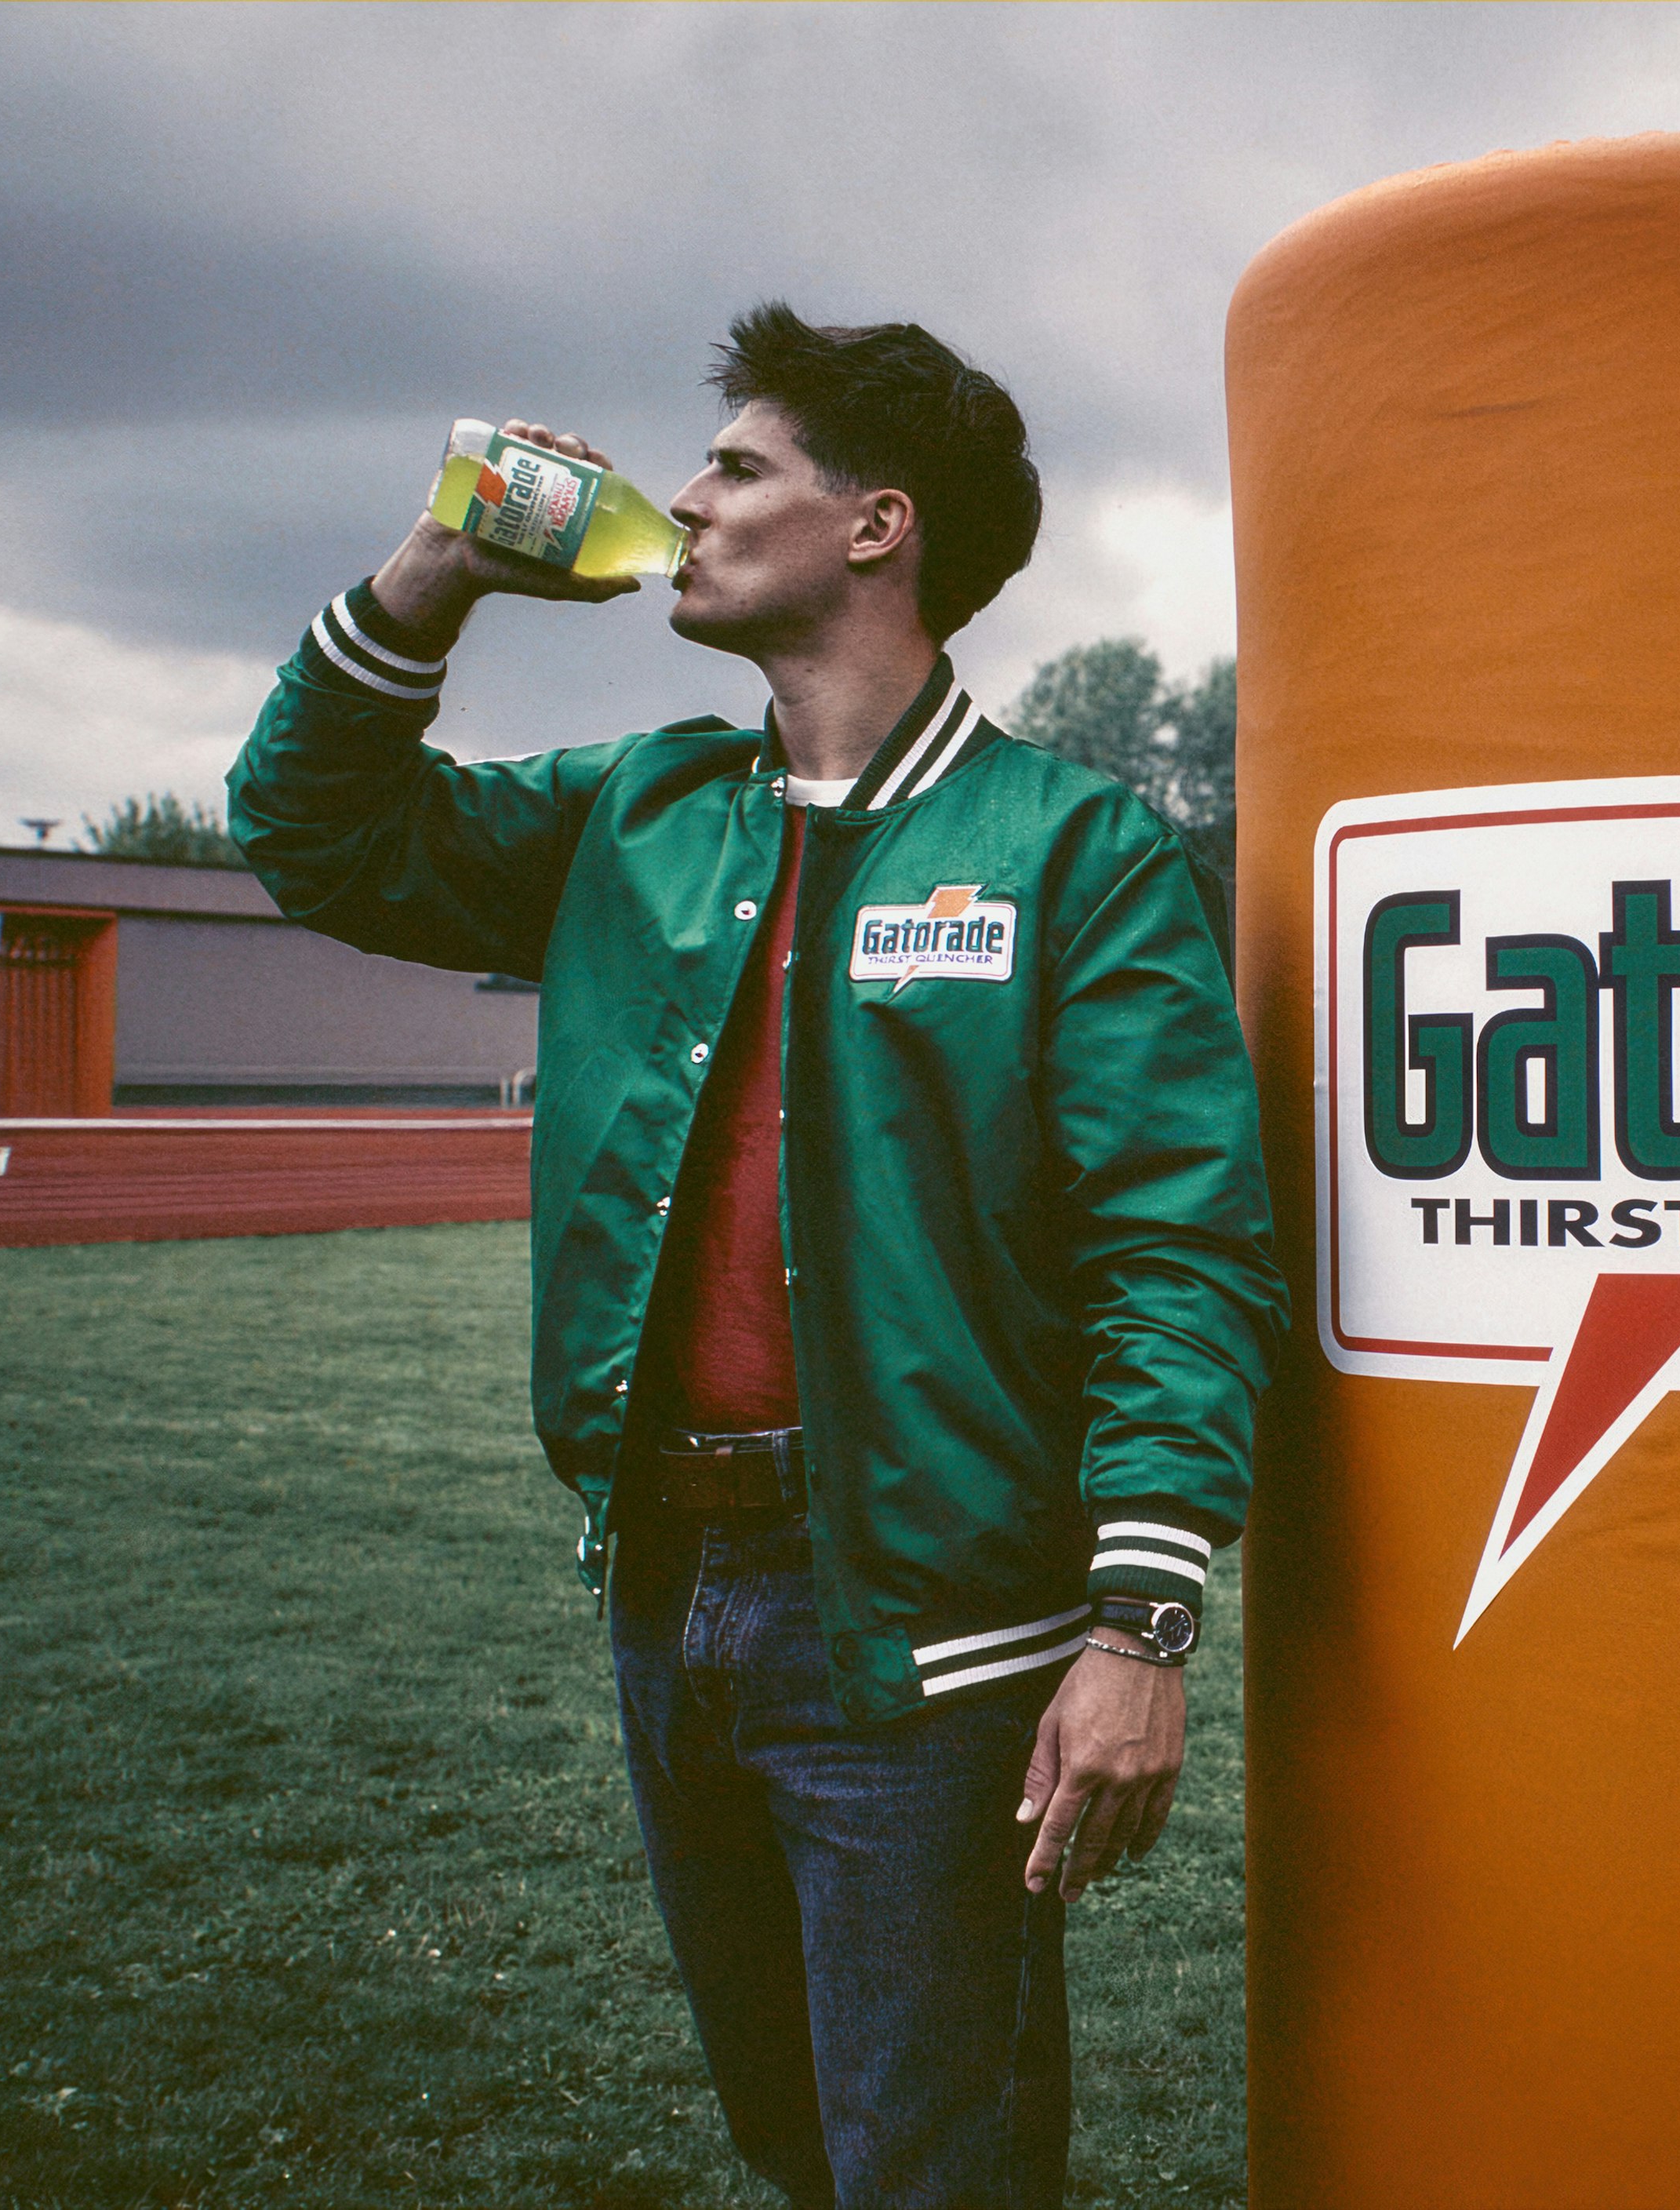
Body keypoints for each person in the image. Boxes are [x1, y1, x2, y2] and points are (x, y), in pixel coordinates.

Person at [227, 304, 1285, 2208]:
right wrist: (438, 568)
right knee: (799, 2133)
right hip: (667, 1589)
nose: (687, 504)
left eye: (737, 468)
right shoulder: (637, 808)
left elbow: (1177, 1250)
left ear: (877, 525)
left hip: (926, 1626)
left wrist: (1141, 1624)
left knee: (930, 2158)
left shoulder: (1073, 848)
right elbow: (314, 831)